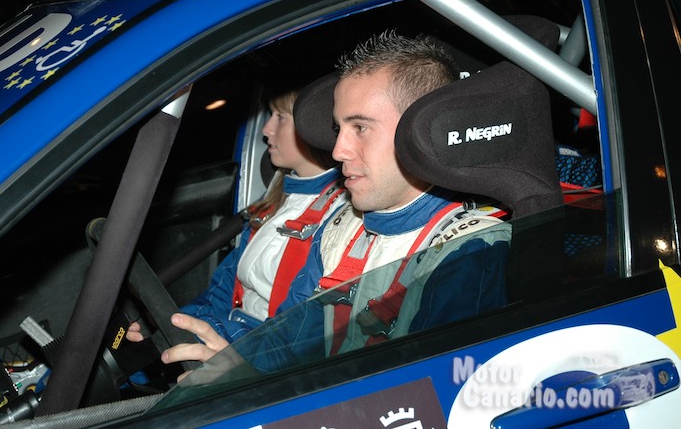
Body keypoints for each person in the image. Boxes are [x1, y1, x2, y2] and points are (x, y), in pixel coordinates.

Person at [160, 31, 509, 377]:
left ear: (423, 132)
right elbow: (288, 345)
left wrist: (253, 380)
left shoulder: (470, 250)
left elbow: (427, 390)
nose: (339, 150)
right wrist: (233, 361)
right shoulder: (342, 226)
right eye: (338, 128)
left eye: (360, 128)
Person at [126, 86, 346, 345]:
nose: (266, 129)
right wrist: (173, 322)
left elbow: (292, 338)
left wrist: (209, 335)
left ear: (314, 124)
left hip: (257, 351)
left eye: (280, 117)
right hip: (235, 337)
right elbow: (221, 293)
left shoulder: (338, 216)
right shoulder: (275, 201)